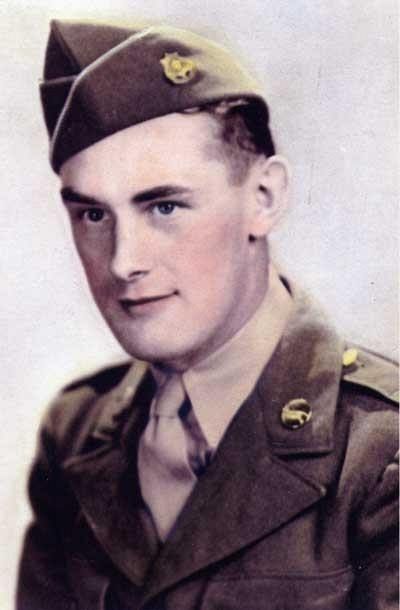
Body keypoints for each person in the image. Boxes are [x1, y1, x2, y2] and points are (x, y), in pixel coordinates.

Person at [17, 19, 398, 610]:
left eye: (164, 206)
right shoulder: (75, 436)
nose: (123, 262)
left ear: (264, 198)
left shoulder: (380, 451)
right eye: (92, 215)